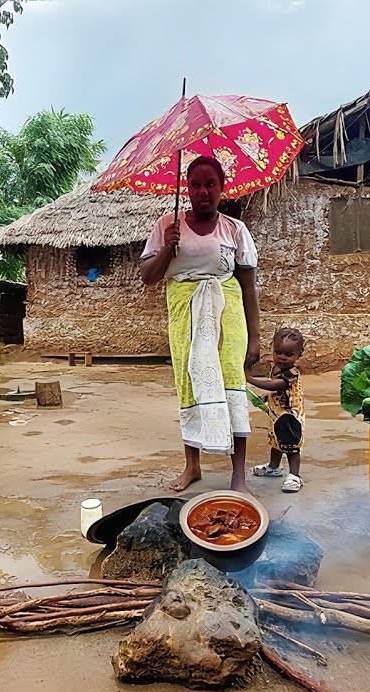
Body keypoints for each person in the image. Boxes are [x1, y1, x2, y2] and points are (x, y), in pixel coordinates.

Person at [140, 156, 261, 494]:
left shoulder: (235, 230)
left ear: (223, 188)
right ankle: (192, 465)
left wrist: (255, 338)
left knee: (232, 383)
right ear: (186, 188)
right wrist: (167, 248)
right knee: (189, 382)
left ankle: (238, 474)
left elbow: (249, 288)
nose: (203, 191)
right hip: (186, 317)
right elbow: (148, 277)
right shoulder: (167, 225)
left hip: (228, 317)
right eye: (195, 184)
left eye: (210, 184)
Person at [249, 328, 307, 493]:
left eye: (288, 355)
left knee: (291, 445)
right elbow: (278, 391)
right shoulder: (276, 370)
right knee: (276, 442)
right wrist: (266, 398)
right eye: (278, 352)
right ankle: (273, 467)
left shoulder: (292, 373)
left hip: (290, 417)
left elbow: (278, 385)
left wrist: (250, 380)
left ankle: (295, 475)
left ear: (298, 355)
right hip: (277, 415)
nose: (282, 357)